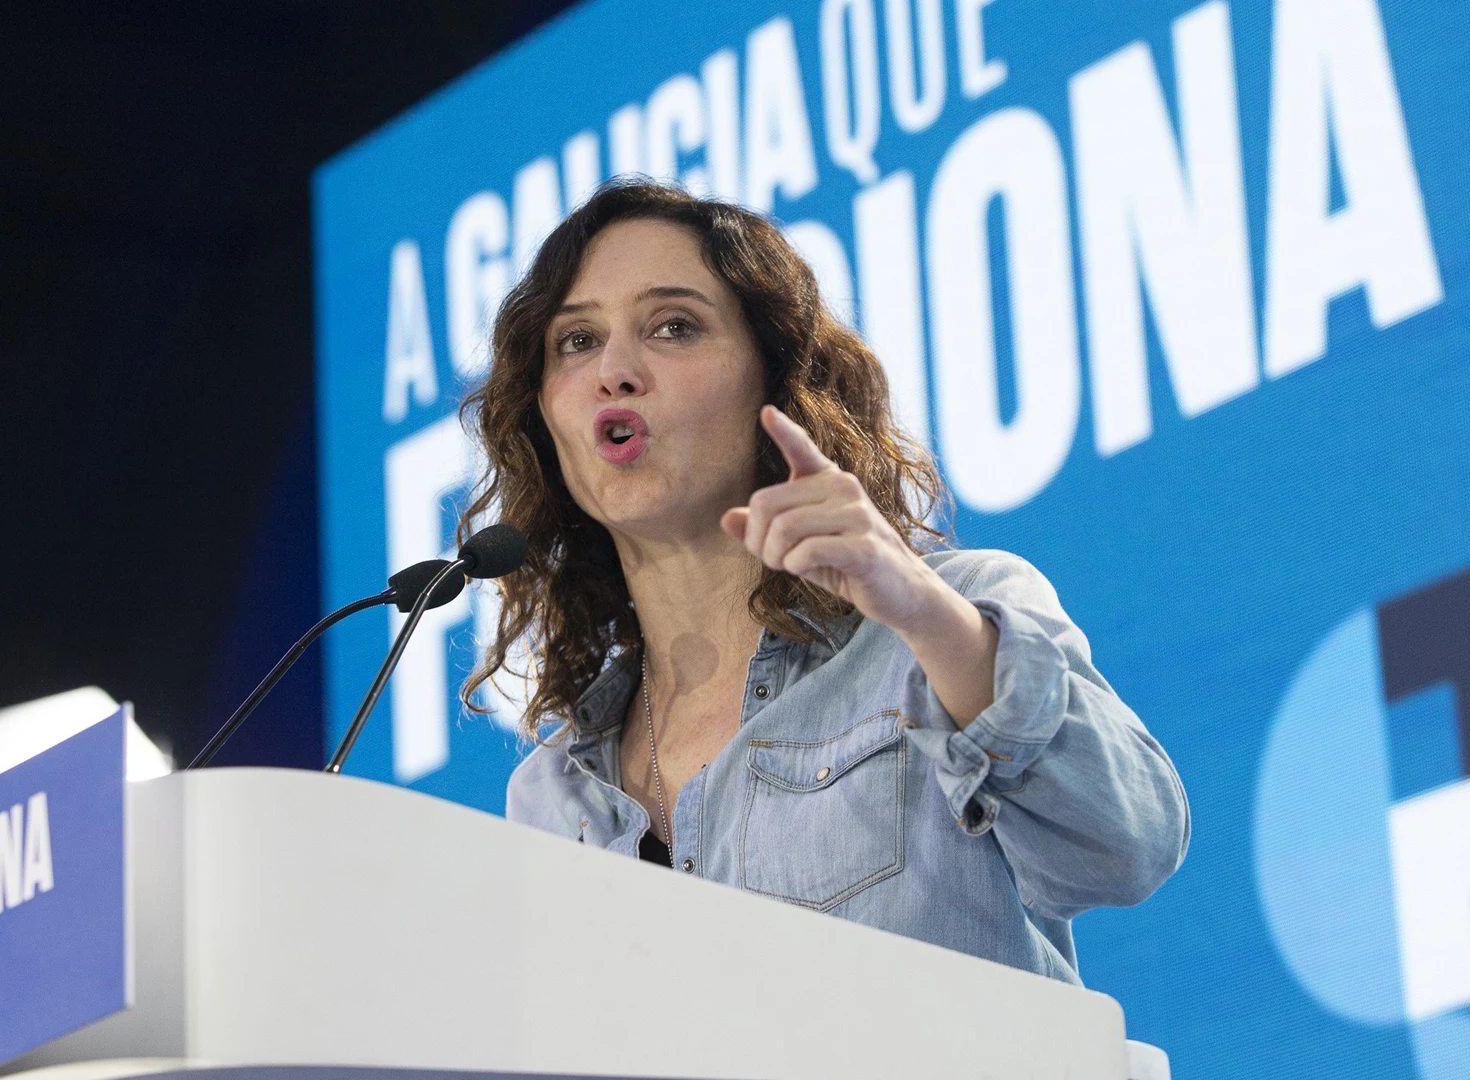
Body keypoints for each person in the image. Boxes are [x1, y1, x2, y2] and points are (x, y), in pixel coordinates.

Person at [459, 180, 1188, 983]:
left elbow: (1126, 848)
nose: (615, 371)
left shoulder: (947, 625)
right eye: (576, 342)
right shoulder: (550, 798)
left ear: (774, 383)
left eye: (673, 326)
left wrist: (926, 616)